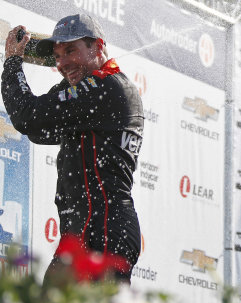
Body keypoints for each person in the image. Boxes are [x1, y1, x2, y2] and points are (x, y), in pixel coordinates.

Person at [1, 14, 143, 284]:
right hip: (89, 232)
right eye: (56, 56)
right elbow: (38, 131)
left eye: (70, 50)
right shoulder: (99, 89)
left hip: (102, 232)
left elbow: (27, 116)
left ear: (98, 47)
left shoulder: (105, 86)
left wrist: (13, 62)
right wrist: (68, 75)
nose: (62, 63)